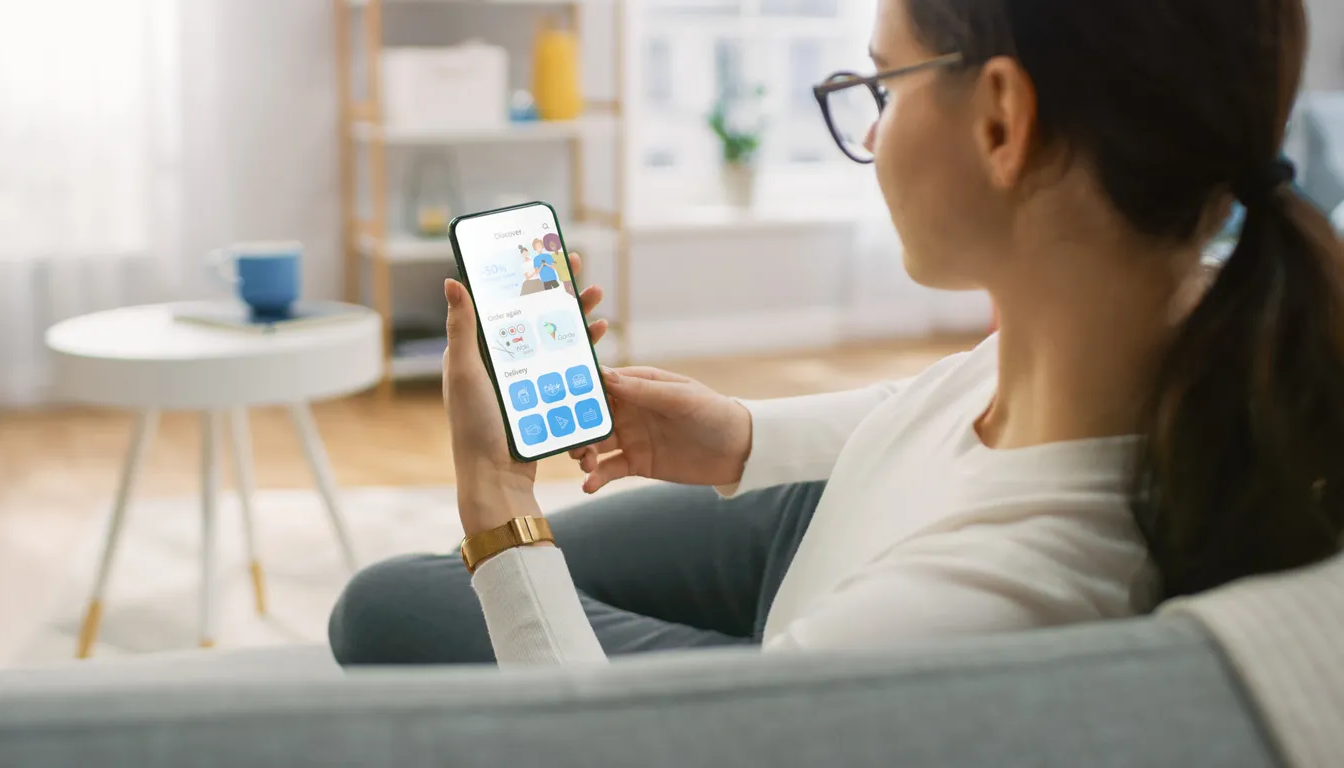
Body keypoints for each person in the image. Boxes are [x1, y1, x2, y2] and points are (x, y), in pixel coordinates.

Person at [329, 0, 1344, 665]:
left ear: (1000, 121)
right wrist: (739, 435)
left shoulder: (981, 603)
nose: (867, 130)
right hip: (836, 516)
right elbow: (940, 400)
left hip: (827, 613)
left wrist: (499, 498)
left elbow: (615, 750)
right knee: (417, 594)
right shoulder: (1169, 318)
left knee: (388, 607)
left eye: (878, 87)